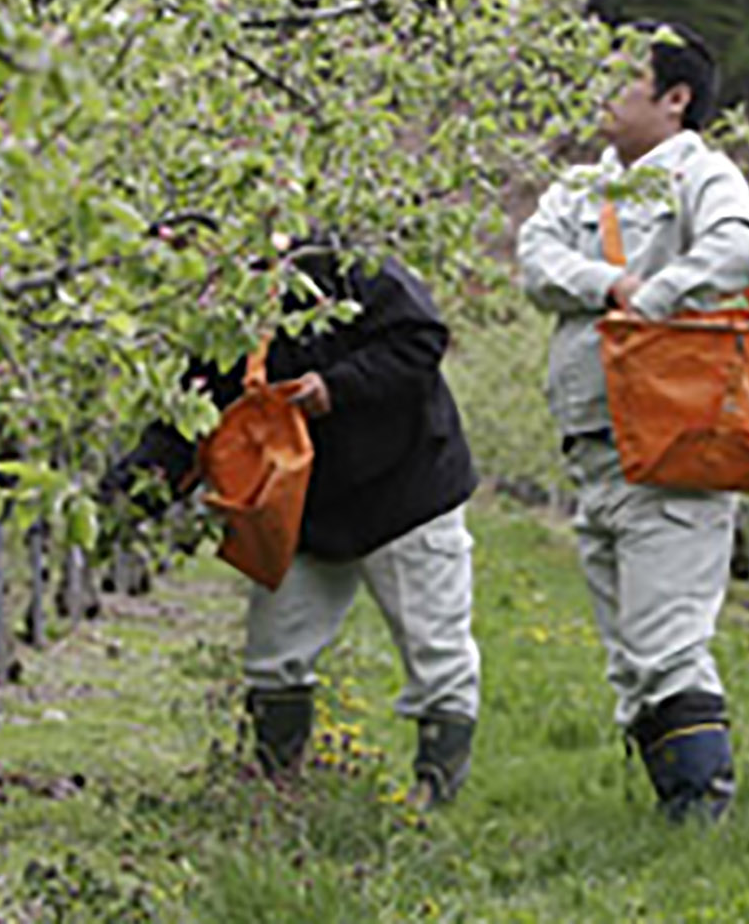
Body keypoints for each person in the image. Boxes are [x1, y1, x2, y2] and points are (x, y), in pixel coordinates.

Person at [105, 244, 481, 808]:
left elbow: (419, 338)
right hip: (297, 507)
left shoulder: (346, 260)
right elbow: (187, 420)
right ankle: (279, 791)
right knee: (274, 656)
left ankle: (435, 793)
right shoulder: (226, 315)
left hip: (405, 489)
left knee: (436, 648)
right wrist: (119, 501)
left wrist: (337, 387)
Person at [516, 24, 749, 821]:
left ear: (675, 98)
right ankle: (671, 805)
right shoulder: (580, 185)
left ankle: (701, 812)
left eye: (623, 81)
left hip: (674, 439)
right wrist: (609, 284)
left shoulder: (703, 171)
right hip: (596, 444)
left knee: (665, 640)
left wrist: (656, 299)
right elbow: (534, 259)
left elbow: (743, 247)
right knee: (631, 651)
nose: (603, 93)